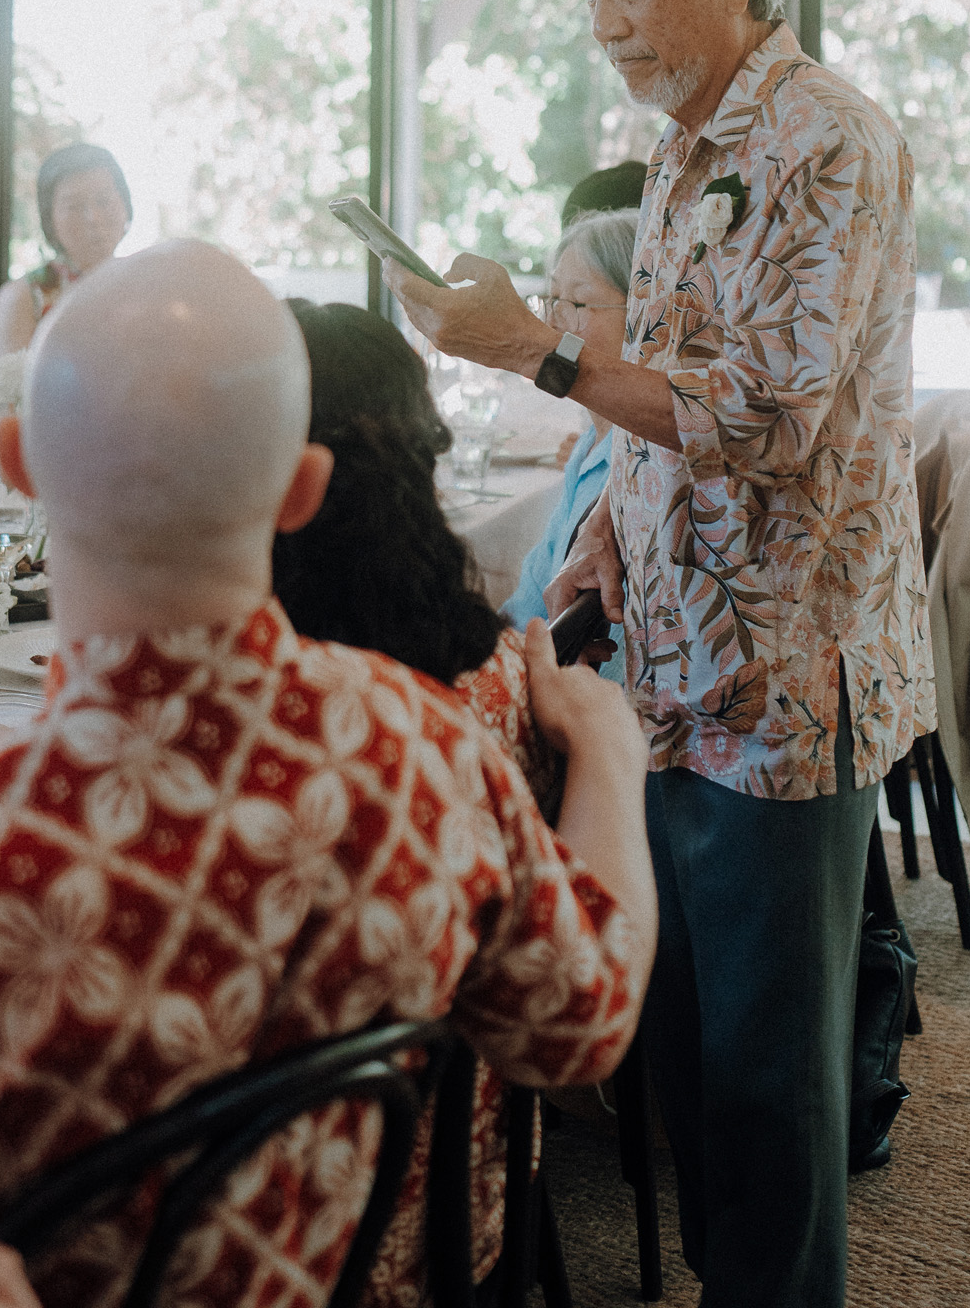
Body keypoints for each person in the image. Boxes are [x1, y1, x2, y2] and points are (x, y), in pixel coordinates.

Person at [0, 240, 655, 1308]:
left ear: (19, 466)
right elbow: (581, 1025)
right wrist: (612, 756)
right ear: (299, 490)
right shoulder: (425, 746)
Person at [387, 0, 931, 1308]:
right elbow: (674, 393)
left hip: (781, 674)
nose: (604, 20)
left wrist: (535, 350)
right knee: (678, 1062)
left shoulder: (829, 139)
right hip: (671, 657)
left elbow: (763, 417)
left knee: (768, 1096)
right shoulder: (689, 145)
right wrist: (612, 525)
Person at [273, 299, 568, 1300]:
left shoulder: (277, 722)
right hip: (473, 1163)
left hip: (279, 1229)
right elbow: (577, 1002)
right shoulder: (490, 674)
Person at [502, 209, 637, 642]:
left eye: (577, 303)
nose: (552, 322)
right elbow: (532, 601)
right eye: (552, 299)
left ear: (645, 316)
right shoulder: (589, 448)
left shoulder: (644, 457)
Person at [0, 142, 131, 357]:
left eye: (104, 201)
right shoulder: (24, 298)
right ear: (50, 218)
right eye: (75, 206)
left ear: (125, 203)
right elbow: (6, 384)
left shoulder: (145, 284)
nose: (93, 218)